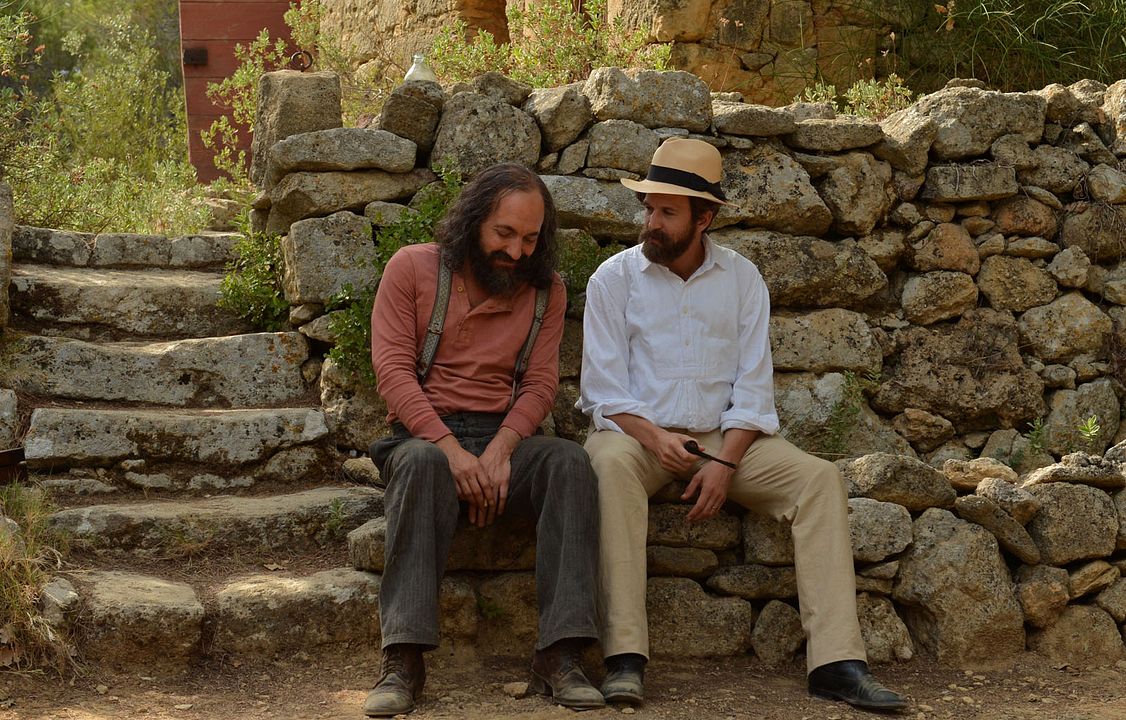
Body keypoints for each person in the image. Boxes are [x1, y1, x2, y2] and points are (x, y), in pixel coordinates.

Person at [577, 138, 908, 713]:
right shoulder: (614, 279)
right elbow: (603, 392)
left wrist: (725, 461)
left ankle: (836, 663)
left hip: (725, 441)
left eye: (666, 212)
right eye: (649, 208)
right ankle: (624, 658)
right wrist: (656, 439)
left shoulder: (743, 279)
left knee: (818, 480)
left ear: (704, 218)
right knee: (605, 465)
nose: (650, 223)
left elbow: (752, 388)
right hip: (638, 436)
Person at [364, 163, 604, 717]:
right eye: (504, 233)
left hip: (504, 440)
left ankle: (560, 655)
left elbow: (542, 384)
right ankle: (402, 660)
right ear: (474, 220)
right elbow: (394, 374)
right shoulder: (413, 269)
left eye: (530, 238)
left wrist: (498, 453)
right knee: (423, 465)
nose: (517, 252)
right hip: (424, 438)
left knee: (570, 462)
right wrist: (453, 451)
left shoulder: (548, 292)